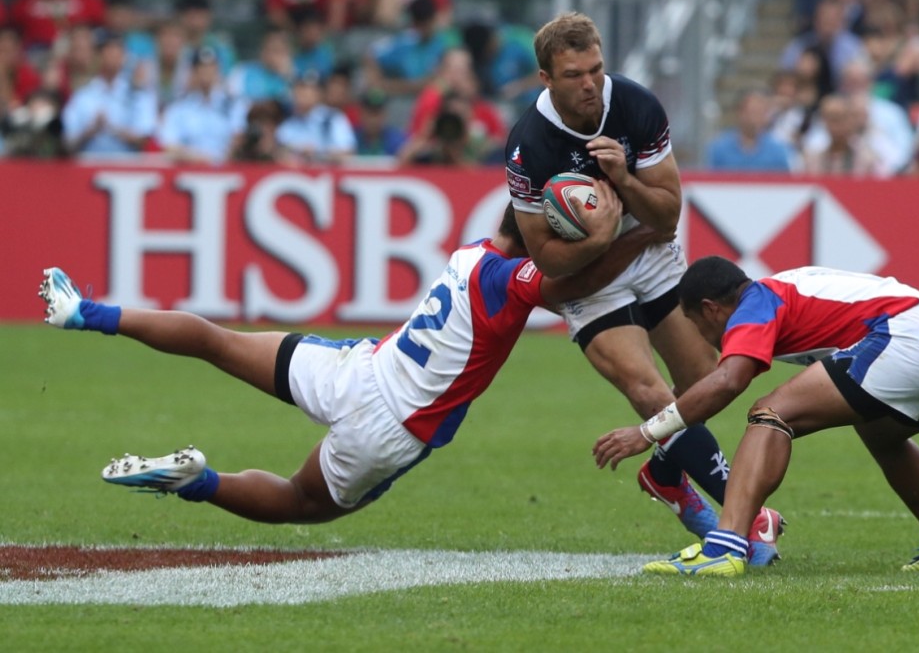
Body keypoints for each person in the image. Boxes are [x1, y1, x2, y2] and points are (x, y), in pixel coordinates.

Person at [37, 195, 661, 525]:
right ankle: (196, 482)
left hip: (356, 370)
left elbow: (543, 252)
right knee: (299, 503)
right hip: (394, 425)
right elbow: (575, 281)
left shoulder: (473, 253)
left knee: (215, 339)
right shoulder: (513, 280)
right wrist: (634, 233)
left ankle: (84, 311)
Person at [503, 11, 782, 565]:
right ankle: (749, 518)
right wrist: (605, 235)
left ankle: (663, 474)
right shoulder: (527, 145)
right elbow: (547, 259)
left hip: (651, 257)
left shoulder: (635, 105)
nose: (590, 83)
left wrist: (624, 180)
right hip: (590, 279)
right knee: (649, 392)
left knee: (702, 382)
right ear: (546, 78)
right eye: (574, 74)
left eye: (596, 69)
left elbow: (668, 214)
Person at [593, 256, 919, 577]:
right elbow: (871, 318)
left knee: (770, 413)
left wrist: (647, 432)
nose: (700, 336)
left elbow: (728, 381)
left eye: (694, 323)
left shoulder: (756, 303)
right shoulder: (789, 289)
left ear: (711, 308)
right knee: (881, 435)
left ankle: (723, 548)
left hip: (914, 338)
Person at [60, 30, 158, 157]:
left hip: (128, 165)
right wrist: (91, 130)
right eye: (107, 52)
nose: (112, 57)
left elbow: (144, 139)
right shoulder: (82, 95)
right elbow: (68, 143)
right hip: (89, 164)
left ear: (124, 56)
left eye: (117, 52)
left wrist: (112, 128)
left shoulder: (138, 93)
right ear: (97, 56)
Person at [706, 87, 793, 172]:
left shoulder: (778, 151)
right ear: (740, 112)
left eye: (762, 112)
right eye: (753, 111)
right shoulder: (719, 149)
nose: (757, 118)